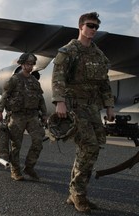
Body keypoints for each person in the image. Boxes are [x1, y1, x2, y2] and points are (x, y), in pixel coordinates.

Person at [51, 12, 115, 213]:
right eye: (90, 25)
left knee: (90, 149)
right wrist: (60, 102)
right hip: (75, 107)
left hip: (93, 109)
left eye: (96, 26)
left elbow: (104, 83)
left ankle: (75, 193)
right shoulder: (69, 51)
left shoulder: (99, 55)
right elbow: (58, 77)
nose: (93, 30)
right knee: (89, 147)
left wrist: (109, 105)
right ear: (81, 27)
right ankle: (78, 194)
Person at [0, 53, 47, 181]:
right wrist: (0, 111)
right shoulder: (15, 79)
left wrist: (44, 114)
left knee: (38, 140)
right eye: (28, 64)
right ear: (22, 64)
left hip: (32, 116)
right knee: (16, 145)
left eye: (32, 64)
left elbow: (41, 99)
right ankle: (15, 170)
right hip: (17, 116)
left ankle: (29, 167)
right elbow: (5, 95)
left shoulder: (34, 81)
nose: (30, 67)